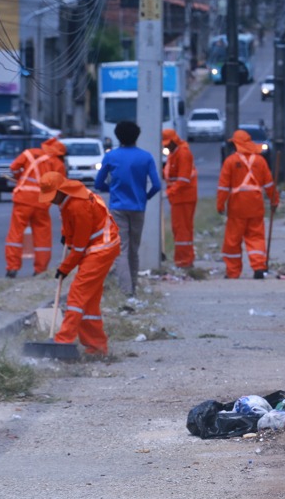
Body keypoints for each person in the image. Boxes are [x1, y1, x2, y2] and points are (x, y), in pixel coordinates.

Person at [39, 171, 120, 356]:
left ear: (61, 190)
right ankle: (97, 348)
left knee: (76, 296)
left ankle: (62, 341)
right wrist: (66, 236)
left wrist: (64, 268)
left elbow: (80, 246)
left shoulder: (78, 205)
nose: (51, 201)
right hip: (99, 247)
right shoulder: (69, 200)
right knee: (89, 303)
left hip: (101, 249)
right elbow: (72, 227)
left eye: (52, 196)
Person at [95, 121, 161, 296]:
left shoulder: (111, 157)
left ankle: (126, 291)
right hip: (138, 207)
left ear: (118, 136)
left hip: (117, 207)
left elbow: (98, 183)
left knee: (121, 249)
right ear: (136, 136)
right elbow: (156, 185)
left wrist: (112, 189)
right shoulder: (146, 157)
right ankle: (133, 286)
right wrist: (144, 197)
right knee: (134, 249)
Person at [217, 129, 279, 279]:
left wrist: (220, 205)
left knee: (233, 240)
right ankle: (258, 267)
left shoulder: (230, 161)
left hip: (237, 206)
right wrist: (274, 201)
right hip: (256, 204)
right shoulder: (260, 161)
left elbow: (224, 187)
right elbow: (270, 185)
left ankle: (233, 272)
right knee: (256, 237)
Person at [4, 137, 66, 277]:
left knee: (16, 232)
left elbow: (13, 168)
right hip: (42, 203)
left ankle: (12, 267)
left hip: (23, 199)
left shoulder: (29, 153)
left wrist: (20, 177)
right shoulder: (58, 164)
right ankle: (40, 270)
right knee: (42, 235)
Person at [162, 128, 197, 268]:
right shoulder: (175, 153)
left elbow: (183, 179)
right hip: (180, 197)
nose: (165, 146)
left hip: (183, 197)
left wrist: (169, 193)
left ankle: (184, 261)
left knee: (182, 230)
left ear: (174, 141)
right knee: (181, 229)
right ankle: (185, 259)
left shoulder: (182, 154)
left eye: (167, 143)